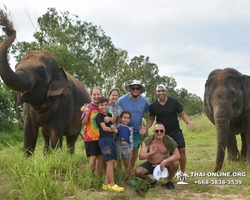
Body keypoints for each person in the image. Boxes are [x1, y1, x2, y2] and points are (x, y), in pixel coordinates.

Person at [140, 84, 193, 173]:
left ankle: (182, 172)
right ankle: (164, 172)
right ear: (156, 92)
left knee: (182, 150)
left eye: (163, 91)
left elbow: (182, 113)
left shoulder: (174, 102)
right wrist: (146, 127)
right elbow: (151, 119)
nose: (161, 93)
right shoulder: (153, 105)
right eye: (159, 91)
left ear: (166, 92)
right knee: (165, 153)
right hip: (161, 133)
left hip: (175, 131)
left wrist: (188, 122)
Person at [117, 80, 150, 179]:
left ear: (140, 90)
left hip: (136, 131)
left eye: (137, 88)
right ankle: (119, 174)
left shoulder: (144, 101)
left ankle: (129, 173)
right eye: (133, 88)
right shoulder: (122, 100)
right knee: (120, 151)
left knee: (134, 151)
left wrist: (146, 127)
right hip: (122, 130)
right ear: (130, 89)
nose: (135, 90)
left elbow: (151, 113)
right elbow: (115, 112)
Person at [134, 123, 180, 189]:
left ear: (164, 131)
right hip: (151, 164)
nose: (159, 133)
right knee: (137, 171)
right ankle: (151, 182)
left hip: (165, 165)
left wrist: (165, 161)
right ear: (153, 132)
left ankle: (169, 181)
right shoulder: (148, 140)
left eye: (161, 131)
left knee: (175, 163)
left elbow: (177, 155)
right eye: (157, 131)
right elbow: (141, 157)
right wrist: (150, 153)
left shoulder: (169, 140)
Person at [81, 87, 114, 176]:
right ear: (91, 95)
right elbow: (84, 123)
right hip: (90, 137)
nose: (96, 96)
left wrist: (110, 118)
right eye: (94, 94)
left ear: (101, 94)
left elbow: (112, 117)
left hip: (102, 137)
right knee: (93, 157)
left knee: (101, 157)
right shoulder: (87, 107)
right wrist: (87, 114)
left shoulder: (104, 106)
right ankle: (89, 178)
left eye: (98, 94)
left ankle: (98, 178)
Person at [96, 97, 124, 192]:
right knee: (111, 161)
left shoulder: (108, 114)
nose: (104, 107)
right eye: (101, 105)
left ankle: (106, 184)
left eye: (105, 105)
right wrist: (113, 129)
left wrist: (112, 124)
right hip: (104, 139)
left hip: (111, 139)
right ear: (99, 106)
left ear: (108, 105)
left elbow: (113, 121)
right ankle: (112, 184)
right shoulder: (99, 116)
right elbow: (104, 128)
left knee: (112, 161)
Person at [116, 110, 133, 181]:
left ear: (129, 119)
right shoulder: (118, 127)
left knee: (127, 163)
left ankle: (130, 178)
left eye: (127, 118)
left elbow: (131, 141)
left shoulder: (129, 129)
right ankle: (119, 178)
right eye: (124, 117)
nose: (125, 120)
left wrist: (131, 150)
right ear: (120, 118)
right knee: (119, 163)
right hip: (119, 146)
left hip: (126, 147)